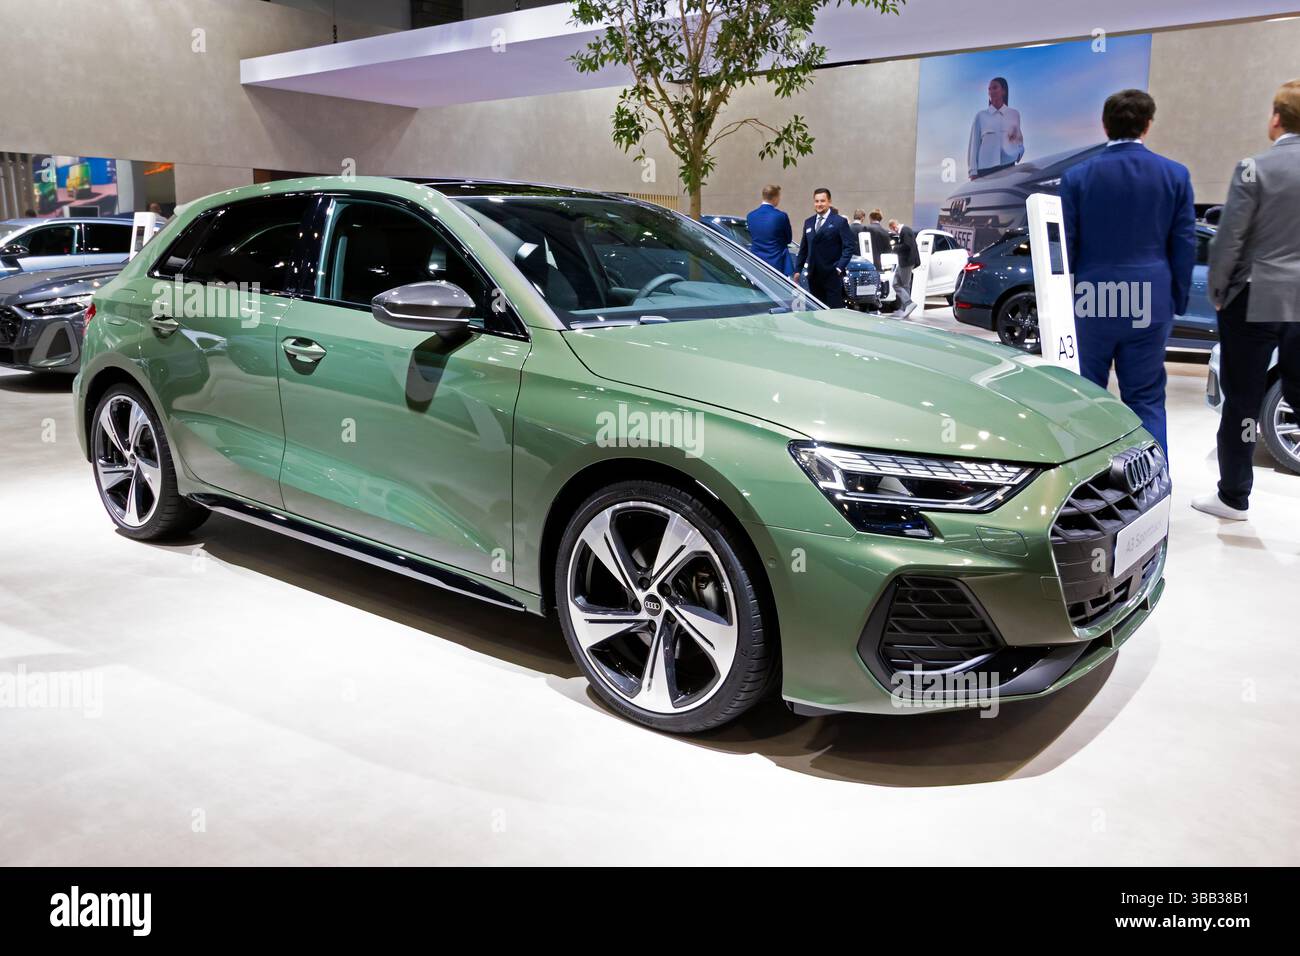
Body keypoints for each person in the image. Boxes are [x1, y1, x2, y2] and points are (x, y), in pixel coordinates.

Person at [1060, 89, 1196, 453]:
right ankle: (1153, 490)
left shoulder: (1076, 178)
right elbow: (1184, 245)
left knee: (1085, 397)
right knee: (1146, 399)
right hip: (1150, 300)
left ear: (1104, 125)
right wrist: (1175, 300)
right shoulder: (1175, 175)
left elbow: (1067, 246)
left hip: (1092, 299)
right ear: (1148, 125)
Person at [1192, 79, 1300, 521]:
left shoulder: (1254, 167)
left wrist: (1217, 293)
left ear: (1276, 119)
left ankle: (1234, 497)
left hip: (1256, 292)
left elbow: (1228, 240)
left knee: (1243, 396)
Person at [793, 188, 854, 307]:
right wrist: (797, 270)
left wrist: (839, 268)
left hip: (832, 275)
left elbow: (849, 247)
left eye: (822, 201)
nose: (819, 204)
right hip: (814, 275)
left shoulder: (839, 222)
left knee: (834, 312)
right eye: (816, 201)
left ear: (829, 202)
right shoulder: (808, 222)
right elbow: (804, 249)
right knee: (818, 311)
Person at [967, 76, 1024, 179]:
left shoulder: (1014, 114)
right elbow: (974, 145)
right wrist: (973, 172)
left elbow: (1019, 141)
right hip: (985, 169)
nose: (991, 91)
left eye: (995, 88)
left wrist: (1018, 154)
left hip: (1009, 166)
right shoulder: (981, 116)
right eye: (989, 89)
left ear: (1003, 91)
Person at [745, 184, 793, 275]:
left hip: (756, 262)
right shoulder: (781, 216)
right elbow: (788, 239)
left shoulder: (750, 216)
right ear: (775, 197)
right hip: (777, 263)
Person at [889, 218, 921, 318]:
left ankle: (908, 305)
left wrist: (895, 248)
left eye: (892, 229)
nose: (893, 231)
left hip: (907, 262)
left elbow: (907, 246)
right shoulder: (905, 231)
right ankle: (905, 306)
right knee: (895, 283)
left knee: (904, 285)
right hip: (903, 262)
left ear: (894, 226)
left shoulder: (905, 231)